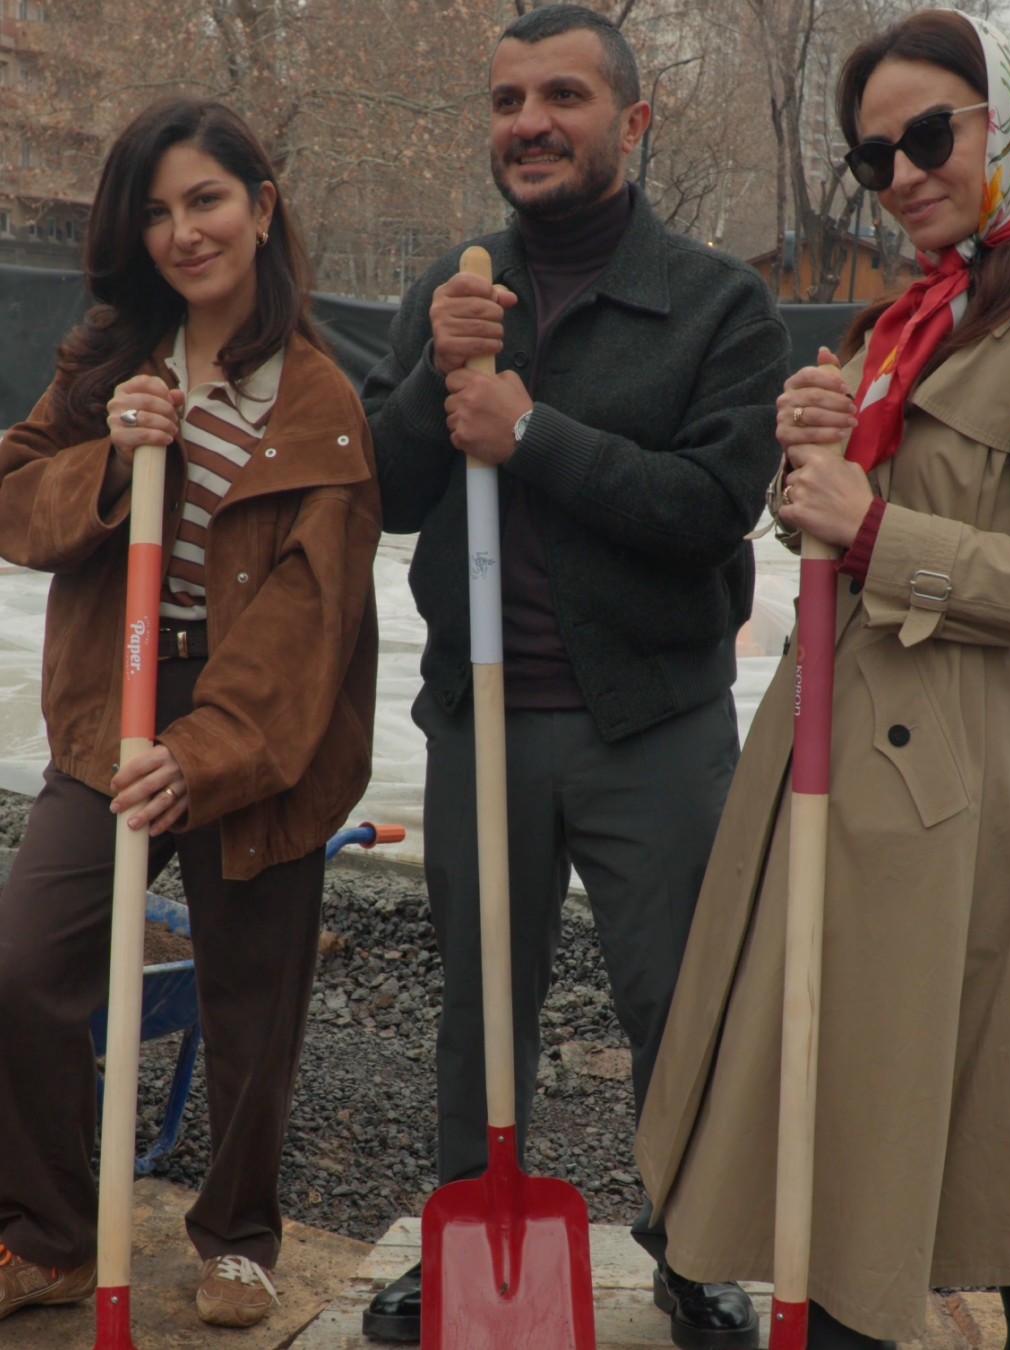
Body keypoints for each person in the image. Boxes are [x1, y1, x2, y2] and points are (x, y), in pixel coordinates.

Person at [636, 11, 1010, 1350]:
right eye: (874, 156)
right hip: (837, 760)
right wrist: (813, 469)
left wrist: (876, 528)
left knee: (987, 1126)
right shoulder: (919, 315)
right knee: (840, 1106)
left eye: (931, 135)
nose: (902, 175)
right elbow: (828, 530)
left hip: (960, 785)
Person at [361, 5, 787, 1344]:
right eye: (507, 102)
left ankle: (694, 1245)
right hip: (481, 714)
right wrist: (437, 378)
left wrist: (534, 430)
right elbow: (387, 491)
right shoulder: (455, 286)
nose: (529, 124)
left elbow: (712, 506)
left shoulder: (717, 302)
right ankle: (467, 1226)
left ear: (633, 121)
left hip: (652, 721)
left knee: (677, 1000)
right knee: (479, 1000)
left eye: (562, 97)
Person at [0, 98, 380, 1329]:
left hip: (261, 724)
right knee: (25, 963)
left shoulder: (318, 404)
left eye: (206, 200)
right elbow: (12, 496)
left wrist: (203, 755)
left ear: (262, 207)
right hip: (112, 696)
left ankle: (238, 1237)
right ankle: (51, 1236)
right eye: (157, 212)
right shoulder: (114, 361)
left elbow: (309, 629)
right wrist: (109, 459)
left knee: (251, 998)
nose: (183, 233)